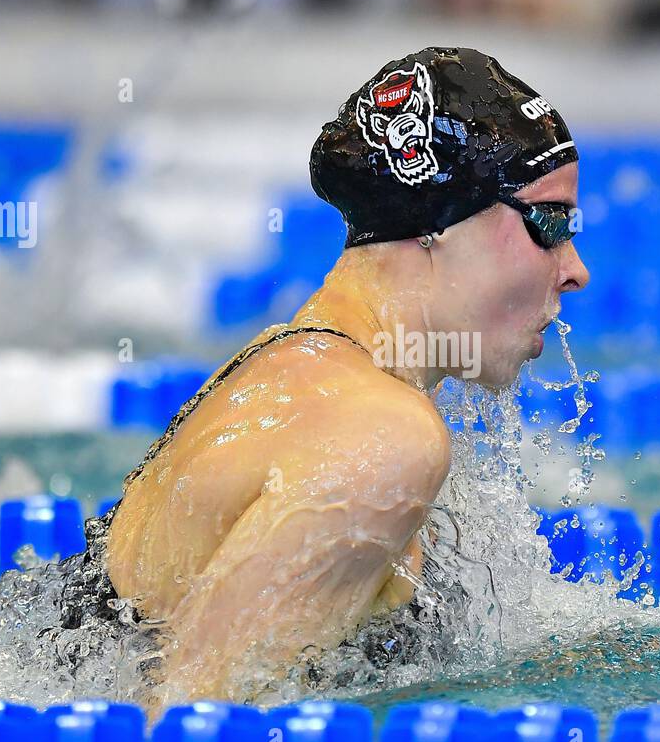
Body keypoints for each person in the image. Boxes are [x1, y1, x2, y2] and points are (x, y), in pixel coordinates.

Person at [71, 47, 589, 702]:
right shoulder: (380, 436)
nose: (574, 268)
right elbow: (185, 732)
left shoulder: (289, 359)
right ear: (437, 223)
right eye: (549, 222)